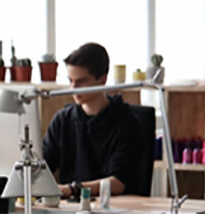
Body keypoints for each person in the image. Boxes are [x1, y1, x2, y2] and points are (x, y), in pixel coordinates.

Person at [42, 43, 143, 197]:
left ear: (102, 79)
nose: (73, 88)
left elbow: (118, 182)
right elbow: (42, 167)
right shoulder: (62, 120)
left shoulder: (127, 122)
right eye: (70, 80)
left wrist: (73, 189)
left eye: (81, 81)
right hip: (69, 207)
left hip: (112, 207)